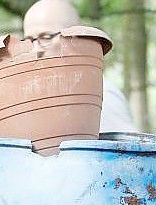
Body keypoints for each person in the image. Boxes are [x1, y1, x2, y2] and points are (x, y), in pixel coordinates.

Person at [22, 0, 139, 133]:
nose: (35, 50)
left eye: (46, 37)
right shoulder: (31, 97)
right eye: (29, 41)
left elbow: (127, 151)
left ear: (74, 38)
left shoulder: (100, 95)